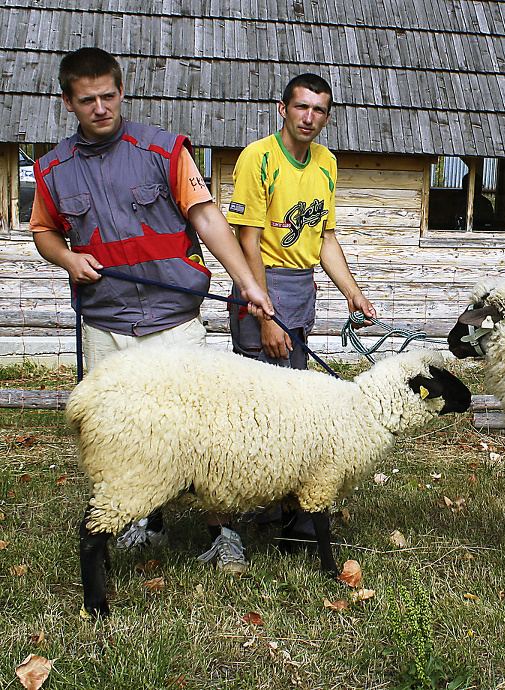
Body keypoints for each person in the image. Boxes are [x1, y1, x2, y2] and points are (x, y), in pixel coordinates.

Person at [29, 47, 275, 573]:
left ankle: (224, 533)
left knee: (206, 432)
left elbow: (208, 220)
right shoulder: (52, 168)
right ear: (68, 102)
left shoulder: (163, 150)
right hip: (106, 322)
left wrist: (248, 284)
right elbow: (45, 233)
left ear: (122, 92)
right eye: (88, 99)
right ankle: (144, 518)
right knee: (123, 430)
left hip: (173, 318)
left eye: (109, 96)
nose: (101, 108)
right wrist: (68, 258)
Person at [226, 73, 375, 541]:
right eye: (302, 107)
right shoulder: (259, 158)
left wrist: (353, 291)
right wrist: (264, 312)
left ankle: (287, 510)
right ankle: (247, 510)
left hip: (300, 287)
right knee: (260, 406)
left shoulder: (326, 162)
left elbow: (324, 236)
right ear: (283, 109)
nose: (309, 118)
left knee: (293, 407)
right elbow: (245, 237)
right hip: (260, 284)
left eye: (320, 110)